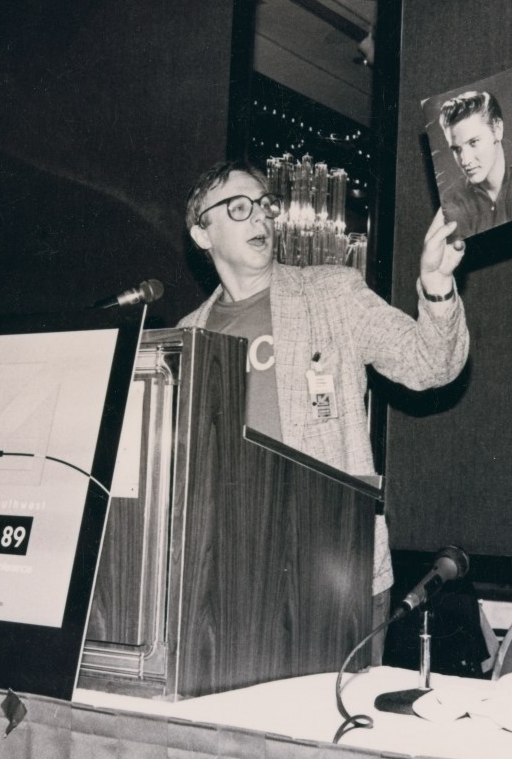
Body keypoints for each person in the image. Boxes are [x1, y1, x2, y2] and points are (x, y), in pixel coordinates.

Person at [178, 161, 469, 652]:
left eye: (265, 206)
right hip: (226, 580)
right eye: (239, 208)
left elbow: (430, 364)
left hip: (333, 573)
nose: (261, 219)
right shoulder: (187, 337)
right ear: (202, 234)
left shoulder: (331, 293)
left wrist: (437, 287)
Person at [438, 90, 512, 239]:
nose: (465, 161)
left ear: (497, 130)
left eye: (473, 142)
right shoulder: (451, 200)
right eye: (456, 149)